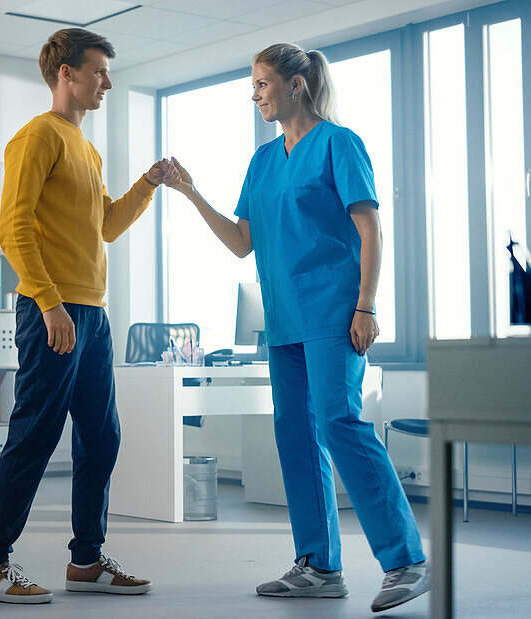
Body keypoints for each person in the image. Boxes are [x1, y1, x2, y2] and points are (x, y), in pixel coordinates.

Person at [159, 43, 428, 613]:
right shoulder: (261, 162)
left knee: (339, 424)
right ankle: (318, 565)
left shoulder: (339, 144)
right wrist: (189, 192)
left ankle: (406, 558)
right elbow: (240, 242)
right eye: (253, 85)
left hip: (334, 312)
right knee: (296, 437)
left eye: (261, 84)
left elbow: (370, 230)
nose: (254, 94)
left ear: (295, 85)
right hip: (283, 322)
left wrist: (367, 306)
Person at [0, 28, 163, 605]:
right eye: (98, 70)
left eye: (107, 71)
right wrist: (49, 302)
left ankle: (86, 558)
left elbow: (104, 227)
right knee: (37, 433)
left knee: (102, 437)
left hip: (92, 312)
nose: (107, 81)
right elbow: (13, 227)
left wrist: (147, 185)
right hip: (51, 309)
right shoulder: (37, 138)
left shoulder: (87, 148)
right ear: (65, 74)